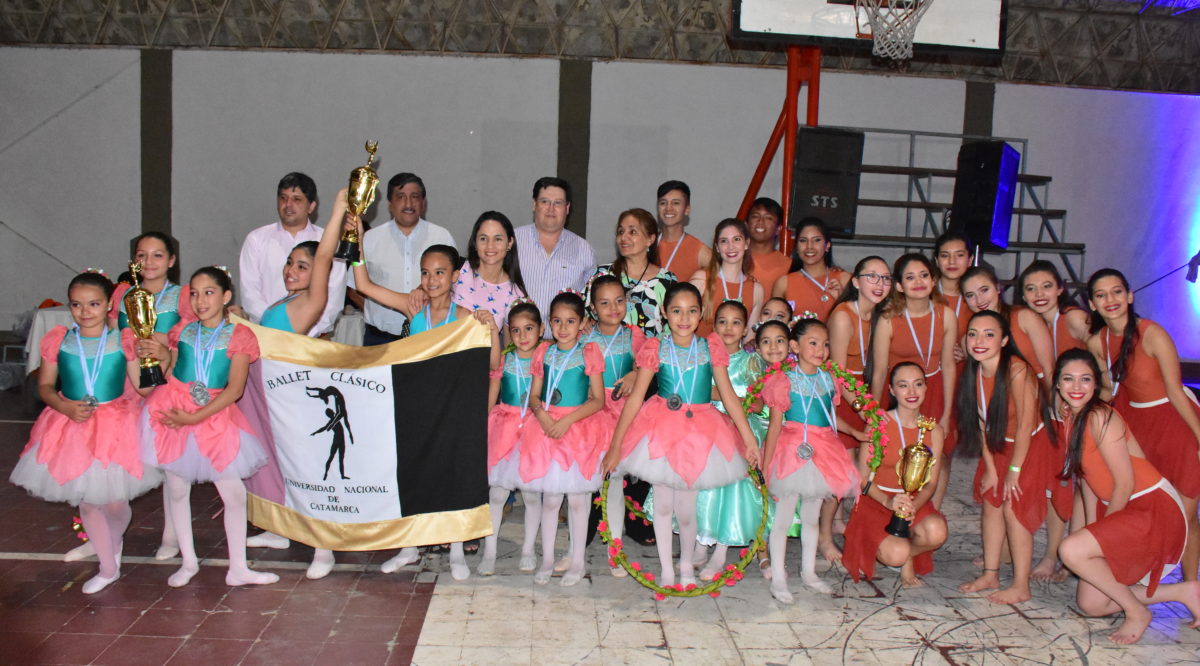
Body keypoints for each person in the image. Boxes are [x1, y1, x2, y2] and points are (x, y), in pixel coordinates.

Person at [10, 272, 163, 594]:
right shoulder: (59, 340)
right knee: (89, 501)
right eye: (76, 305)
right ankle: (108, 568)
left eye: (93, 304)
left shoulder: (123, 340)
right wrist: (64, 407)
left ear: (108, 305)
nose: (85, 311)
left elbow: (144, 388)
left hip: (116, 427)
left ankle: (109, 542)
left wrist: (161, 362)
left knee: (116, 503)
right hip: (72, 424)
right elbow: (45, 386)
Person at [602, 283, 760, 589]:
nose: (684, 318)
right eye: (676, 311)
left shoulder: (710, 348)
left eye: (691, 311)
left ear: (701, 314)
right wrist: (616, 445)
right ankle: (667, 570)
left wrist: (749, 440)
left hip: (701, 431)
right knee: (663, 505)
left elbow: (728, 397)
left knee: (687, 510)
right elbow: (635, 399)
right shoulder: (655, 348)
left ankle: (686, 564)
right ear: (664, 312)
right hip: (661, 428)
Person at [1050, 349, 1200, 645]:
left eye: (1085, 379)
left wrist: (1103, 538)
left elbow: (1124, 483)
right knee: (1093, 604)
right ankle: (1184, 591)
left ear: (1096, 384)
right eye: (1068, 379)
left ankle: (1137, 613)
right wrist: (1092, 532)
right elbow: (1089, 484)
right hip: (1126, 507)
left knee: (1070, 550)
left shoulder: (1100, 416)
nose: (1077, 387)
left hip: (1149, 506)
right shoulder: (1071, 417)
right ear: (1057, 383)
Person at [62, 233, 194, 565]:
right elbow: (105, 334)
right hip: (122, 388)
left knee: (169, 466)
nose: (149, 262)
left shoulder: (182, 296)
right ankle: (95, 537)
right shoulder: (121, 293)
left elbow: (191, 340)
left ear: (172, 261)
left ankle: (172, 536)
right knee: (101, 463)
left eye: (158, 255)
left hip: (165, 382)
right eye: (141, 255)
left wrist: (165, 351)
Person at [141, 267, 277, 588]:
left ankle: (238, 568)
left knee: (234, 494)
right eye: (194, 293)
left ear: (226, 296)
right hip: (175, 408)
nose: (200, 301)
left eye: (209, 292)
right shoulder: (183, 330)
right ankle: (188, 562)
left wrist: (196, 417)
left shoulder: (240, 336)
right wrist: (162, 357)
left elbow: (235, 390)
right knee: (177, 489)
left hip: (215, 416)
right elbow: (173, 370)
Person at [244, 194, 345, 580]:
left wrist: (338, 212)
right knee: (276, 462)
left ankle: (324, 547)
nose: (291, 270)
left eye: (302, 266)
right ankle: (279, 528)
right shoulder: (284, 302)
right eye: (289, 262)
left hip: (290, 400)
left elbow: (325, 256)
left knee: (306, 469)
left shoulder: (308, 302)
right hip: (269, 396)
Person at [1088, 268, 1200, 582]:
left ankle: (1191, 585)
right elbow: (1108, 391)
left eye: (1117, 292)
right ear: (1092, 304)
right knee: (1147, 507)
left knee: (1185, 516)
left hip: (1175, 424)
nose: (1110, 300)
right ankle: (1137, 576)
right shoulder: (1097, 341)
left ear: (1130, 296)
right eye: (1101, 295)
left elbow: (1175, 391)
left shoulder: (1152, 334)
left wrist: (1199, 437)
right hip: (1137, 426)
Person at [760, 317, 860, 602]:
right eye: (813, 343)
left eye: (825, 344)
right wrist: (767, 464)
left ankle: (809, 573)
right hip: (792, 448)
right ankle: (779, 579)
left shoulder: (828, 378)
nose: (820, 350)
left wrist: (854, 432)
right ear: (795, 346)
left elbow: (829, 416)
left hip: (823, 449)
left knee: (811, 517)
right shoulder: (783, 379)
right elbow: (775, 425)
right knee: (782, 519)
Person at [956, 310, 1049, 605]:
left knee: (1013, 507)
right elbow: (980, 421)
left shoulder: (1017, 370)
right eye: (973, 334)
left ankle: (1021, 585)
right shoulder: (973, 370)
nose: (979, 341)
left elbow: (1025, 426)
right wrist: (991, 468)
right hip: (998, 444)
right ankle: (990, 574)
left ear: (1005, 340)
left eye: (989, 335)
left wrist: (1013, 470)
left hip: (1029, 445)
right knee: (991, 503)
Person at [516, 292, 608, 586]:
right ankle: (546, 560)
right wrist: (542, 416)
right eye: (557, 321)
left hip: (577, 429)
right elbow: (534, 395)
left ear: (581, 323)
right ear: (549, 322)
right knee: (551, 500)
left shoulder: (589, 352)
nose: (563, 327)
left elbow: (598, 400)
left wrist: (567, 421)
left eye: (570, 321)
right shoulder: (544, 352)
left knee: (578, 501)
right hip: (546, 428)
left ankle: (577, 562)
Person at [842, 362, 948, 588]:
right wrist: (888, 502)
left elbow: (931, 483)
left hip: (912, 500)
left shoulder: (934, 431)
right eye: (903, 385)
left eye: (918, 384)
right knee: (896, 555)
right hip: (877, 500)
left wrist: (913, 507)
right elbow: (862, 480)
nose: (912, 392)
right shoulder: (877, 424)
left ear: (926, 387)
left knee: (937, 532)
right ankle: (902, 556)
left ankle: (909, 552)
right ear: (891, 390)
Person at [693, 301, 771, 581]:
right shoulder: (703, 358)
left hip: (741, 428)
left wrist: (734, 400)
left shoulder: (753, 361)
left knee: (732, 479)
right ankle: (702, 540)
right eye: (722, 321)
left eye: (736, 322)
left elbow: (760, 402)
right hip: (707, 424)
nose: (728, 328)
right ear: (713, 326)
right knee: (701, 479)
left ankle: (721, 550)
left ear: (746, 329)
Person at [823, 255, 893, 564]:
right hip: (842, 397)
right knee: (839, 471)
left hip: (864, 397)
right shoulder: (843, 316)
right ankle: (824, 537)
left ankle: (840, 521)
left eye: (885, 278)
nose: (880, 284)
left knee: (857, 467)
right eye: (872, 276)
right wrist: (865, 410)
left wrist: (874, 410)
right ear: (855, 281)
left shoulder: (881, 316)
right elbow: (836, 373)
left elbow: (878, 370)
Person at [584, 275, 648, 575]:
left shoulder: (634, 335)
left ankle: (616, 549)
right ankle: (576, 550)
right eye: (605, 303)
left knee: (615, 486)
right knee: (585, 486)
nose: (613, 308)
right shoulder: (585, 336)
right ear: (593, 308)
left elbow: (644, 365)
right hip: (591, 413)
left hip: (623, 414)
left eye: (619, 301)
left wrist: (635, 373)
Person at [347, 172, 456, 345]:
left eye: (415, 197)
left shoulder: (442, 236)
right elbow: (357, 287)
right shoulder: (370, 238)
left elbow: (456, 286)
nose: (408, 203)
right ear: (390, 204)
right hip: (379, 338)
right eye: (401, 197)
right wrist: (358, 240)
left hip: (430, 338)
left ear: (423, 202)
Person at [479, 301, 545, 576]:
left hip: (535, 429)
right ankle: (490, 551)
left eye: (529, 328)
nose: (522, 336)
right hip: (504, 430)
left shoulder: (546, 358)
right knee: (497, 494)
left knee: (531, 494)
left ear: (541, 329)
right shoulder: (504, 361)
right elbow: (491, 396)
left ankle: (528, 549)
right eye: (516, 330)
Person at [238, 172, 346, 336]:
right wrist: (274, 327)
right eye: (283, 198)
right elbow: (250, 293)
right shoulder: (256, 239)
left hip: (312, 338)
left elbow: (334, 295)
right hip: (264, 333)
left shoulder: (327, 241)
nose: (288, 204)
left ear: (311, 206)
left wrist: (306, 332)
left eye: (296, 199)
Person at [870, 254, 957, 432]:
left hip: (934, 392)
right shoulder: (888, 319)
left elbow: (948, 366)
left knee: (935, 447)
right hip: (898, 394)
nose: (918, 281)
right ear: (899, 286)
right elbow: (879, 371)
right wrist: (874, 412)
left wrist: (947, 413)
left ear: (933, 281)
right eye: (910, 277)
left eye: (924, 275)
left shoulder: (946, 315)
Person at [586, 208, 677, 339]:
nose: (623, 237)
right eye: (620, 232)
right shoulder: (602, 274)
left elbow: (674, 328)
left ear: (650, 239)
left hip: (653, 351)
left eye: (632, 232)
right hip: (606, 350)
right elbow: (580, 315)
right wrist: (585, 322)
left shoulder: (667, 280)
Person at [961, 265, 1055, 390]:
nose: (979, 300)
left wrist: (1051, 400)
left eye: (984, 290)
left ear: (997, 288)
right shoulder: (969, 339)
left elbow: (1048, 368)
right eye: (970, 295)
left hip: (1037, 393)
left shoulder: (1025, 317)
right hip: (998, 398)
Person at [515, 177, 596, 320]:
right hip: (518, 333)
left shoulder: (584, 249)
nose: (551, 208)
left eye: (558, 203)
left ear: (567, 208)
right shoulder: (512, 241)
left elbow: (592, 300)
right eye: (545, 201)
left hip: (565, 334)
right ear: (534, 204)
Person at [689, 218, 764, 338]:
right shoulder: (702, 279)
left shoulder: (756, 289)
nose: (731, 247)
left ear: (746, 243)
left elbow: (749, 340)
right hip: (700, 349)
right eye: (724, 241)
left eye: (736, 239)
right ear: (717, 247)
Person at [453, 211, 527, 328]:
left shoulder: (516, 295)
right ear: (475, 242)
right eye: (483, 239)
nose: (490, 246)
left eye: (498, 239)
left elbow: (512, 339)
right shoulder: (457, 268)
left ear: (509, 243)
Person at [771, 218, 849, 321]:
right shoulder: (783, 283)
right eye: (803, 240)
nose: (809, 246)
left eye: (817, 240)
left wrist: (840, 301)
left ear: (827, 245)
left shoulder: (844, 280)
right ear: (796, 246)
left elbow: (857, 320)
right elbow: (775, 325)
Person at [1019, 260, 1089, 358]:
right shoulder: (1029, 324)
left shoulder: (1074, 317)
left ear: (1060, 289)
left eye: (1046, 286)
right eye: (1031, 288)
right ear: (1024, 296)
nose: (1039, 294)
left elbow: (1101, 353)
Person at [746, 197, 791, 294]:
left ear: (778, 229)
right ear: (746, 224)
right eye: (755, 216)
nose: (760, 221)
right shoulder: (732, 258)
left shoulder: (789, 266)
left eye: (768, 218)